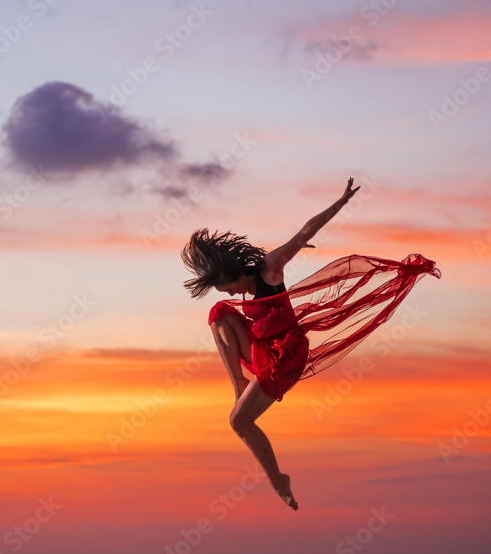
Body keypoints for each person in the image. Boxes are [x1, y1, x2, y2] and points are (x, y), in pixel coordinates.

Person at [180, 178, 441, 511]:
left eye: (228, 289)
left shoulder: (269, 270)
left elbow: (304, 232)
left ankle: (278, 481)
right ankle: (239, 384)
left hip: (285, 358)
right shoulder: (235, 294)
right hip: (264, 348)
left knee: (238, 422)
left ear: (232, 275)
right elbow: (227, 311)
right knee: (218, 313)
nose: (233, 295)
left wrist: (342, 202)